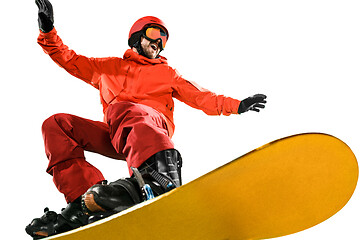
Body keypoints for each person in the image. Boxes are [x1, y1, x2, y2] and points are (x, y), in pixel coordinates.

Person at [26, 0, 267, 238]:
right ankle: (84, 203)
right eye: (153, 34)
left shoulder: (167, 73)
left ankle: (160, 178)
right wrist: (48, 31)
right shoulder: (108, 67)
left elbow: (202, 97)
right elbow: (69, 59)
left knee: (130, 110)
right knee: (57, 124)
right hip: (119, 134)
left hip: (150, 132)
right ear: (136, 38)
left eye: (163, 39)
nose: (158, 42)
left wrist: (237, 105)